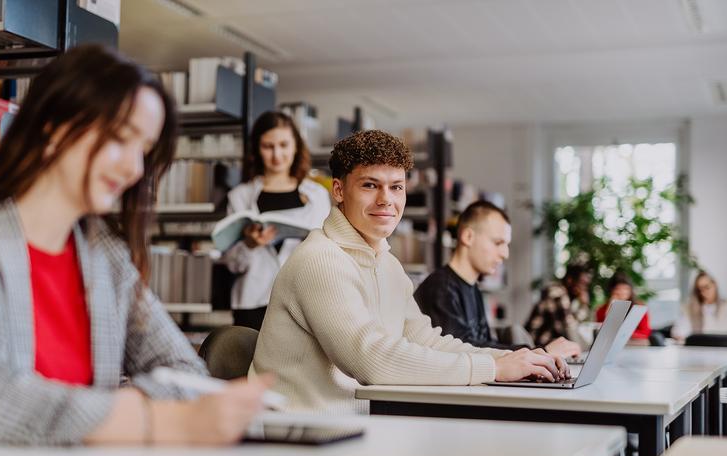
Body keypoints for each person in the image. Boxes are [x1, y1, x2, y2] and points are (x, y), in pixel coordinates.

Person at [0, 45, 270, 448]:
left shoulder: (107, 258)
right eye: (120, 139)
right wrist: (147, 419)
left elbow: (185, 372)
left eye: (144, 149)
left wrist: (110, 414)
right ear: (53, 127)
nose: (135, 168)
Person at [250, 130, 570, 415]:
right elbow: (370, 359)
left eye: (397, 187)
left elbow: (425, 339)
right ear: (338, 190)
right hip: (299, 432)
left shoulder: (387, 263)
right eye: (370, 185)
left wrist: (514, 361)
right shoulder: (320, 260)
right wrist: (492, 368)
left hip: (354, 425)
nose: (386, 199)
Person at [414, 200, 580, 358]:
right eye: (498, 242)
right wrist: (539, 352)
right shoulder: (440, 288)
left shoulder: (472, 288)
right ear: (468, 237)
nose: (505, 254)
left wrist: (537, 355)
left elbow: (485, 345)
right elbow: (461, 350)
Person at [222, 111, 331, 330]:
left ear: (296, 147)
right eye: (268, 146)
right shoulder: (240, 197)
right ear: (257, 149)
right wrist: (249, 245)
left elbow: (328, 255)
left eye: (284, 145)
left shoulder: (317, 195)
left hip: (304, 302)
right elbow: (232, 264)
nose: (277, 154)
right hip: (253, 303)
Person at [525, 264, 593, 348]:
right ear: (569, 280)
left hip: (544, 346)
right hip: (535, 346)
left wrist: (583, 306)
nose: (583, 289)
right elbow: (569, 329)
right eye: (581, 283)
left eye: (586, 285)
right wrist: (584, 305)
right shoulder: (557, 292)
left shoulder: (564, 296)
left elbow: (571, 323)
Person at [672, 271, 727, 340]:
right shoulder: (689, 309)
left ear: (714, 285)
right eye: (700, 289)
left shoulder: (725, 307)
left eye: (707, 287)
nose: (704, 292)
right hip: (698, 348)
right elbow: (679, 332)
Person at [595, 273, 651, 340]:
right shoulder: (602, 309)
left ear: (631, 290)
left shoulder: (638, 307)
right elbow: (601, 331)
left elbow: (645, 333)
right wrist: (611, 307)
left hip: (633, 344)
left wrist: (621, 333)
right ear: (611, 290)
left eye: (625, 289)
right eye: (618, 289)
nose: (622, 292)